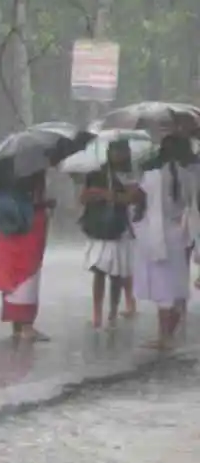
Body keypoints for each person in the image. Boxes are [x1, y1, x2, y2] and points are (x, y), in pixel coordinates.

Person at [132, 134, 195, 351]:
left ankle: (164, 337)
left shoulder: (152, 176)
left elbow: (136, 200)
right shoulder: (188, 176)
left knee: (162, 288)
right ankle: (168, 335)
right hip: (178, 234)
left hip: (158, 237)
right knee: (177, 285)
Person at [0, 171, 54, 342]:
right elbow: (33, 203)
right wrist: (46, 204)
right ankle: (27, 327)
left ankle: (17, 326)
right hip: (29, 230)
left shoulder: (3, 179)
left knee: (12, 277)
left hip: (9, 230)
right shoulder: (32, 173)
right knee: (28, 276)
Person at [79, 139, 138, 329]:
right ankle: (97, 312)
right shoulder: (96, 173)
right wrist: (96, 194)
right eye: (117, 151)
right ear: (109, 152)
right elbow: (83, 197)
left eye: (124, 151)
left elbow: (133, 198)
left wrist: (111, 195)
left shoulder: (129, 174)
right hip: (98, 227)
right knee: (99, 271)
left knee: (117, 274)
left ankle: (113, 310)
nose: (120, 155)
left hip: (119, 228)